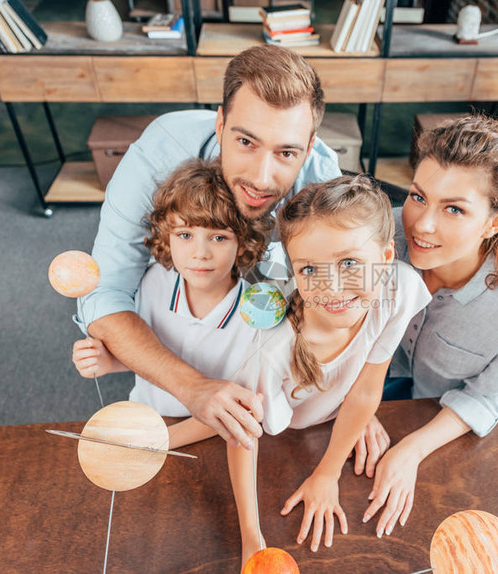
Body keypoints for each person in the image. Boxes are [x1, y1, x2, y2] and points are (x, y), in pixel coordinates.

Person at [78, 45, 342, 451]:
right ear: (221, 124)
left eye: (286, 153)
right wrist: (193, 387)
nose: (261, 178)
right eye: (246, 142)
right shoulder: (159, 150)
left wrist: (356, 400)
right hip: (169, 325)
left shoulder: (323, 180)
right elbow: (104, 292)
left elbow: (339, 299)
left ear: (308, 149)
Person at [165, 175, 432, 566]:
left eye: (350, 262)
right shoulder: (274, 351)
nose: (333, 288)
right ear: (294, 269)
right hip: (269, 415)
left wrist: (328, 473)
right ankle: (159, 439)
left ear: (387, 257)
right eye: (309, 270)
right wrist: (252, 538)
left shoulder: (398, 289)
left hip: (332, 409)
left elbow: (365, 389)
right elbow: (242, 433)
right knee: (220, 414)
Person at [360, 115, 498, 538]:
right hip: (361, 385)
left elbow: (487, 396)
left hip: (432, 410)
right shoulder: (378, 236)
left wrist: (411, 451)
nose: (421, 224)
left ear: (495, 223)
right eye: (419, 196)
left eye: (454, 209)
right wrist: (358, 405)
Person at [72, 159, 271, 447]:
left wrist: (160, 441)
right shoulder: (151, 282)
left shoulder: (257, 313)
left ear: (242, 242)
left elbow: (246, 409)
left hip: (214, 435)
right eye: (185, 235)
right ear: (167, 235)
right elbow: (146, 354)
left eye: (218, 237)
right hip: (146, 421)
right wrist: (107, 361)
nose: (199, 253)